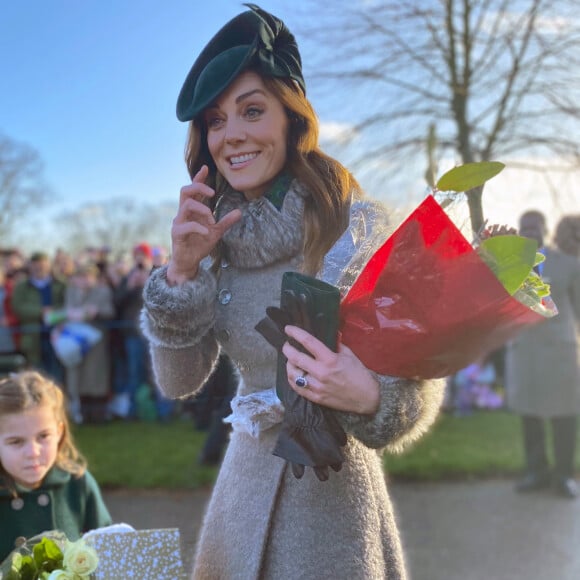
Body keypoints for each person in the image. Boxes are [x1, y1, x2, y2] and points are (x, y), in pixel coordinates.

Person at [140, 6, 445, 579]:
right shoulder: (214, 238)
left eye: (252, 110)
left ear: (290, 117)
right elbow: (179, 382)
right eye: (215, 121)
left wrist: (371, 396)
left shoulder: (352, 227)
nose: (231, 135)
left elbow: (417, 376)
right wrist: (181, 273)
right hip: (242, 493)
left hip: (333, 510)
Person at [0, 370, 112, 562]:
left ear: (59, 432)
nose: (33, 452)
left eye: (43, 436)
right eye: (16, 442)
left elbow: (109, 553)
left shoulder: (78, 484)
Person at [506, 210, 580, 499]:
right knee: (530, 414)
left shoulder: (569, 263)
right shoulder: (508, 265)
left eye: (535, 227)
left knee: (564, 415)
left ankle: (563, 476)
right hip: (524, 352)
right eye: (525, 228)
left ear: (545, 230)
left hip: (559, 352)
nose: (530, 232)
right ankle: (536, 472)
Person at [63, 262, 115, 424]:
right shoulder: (70, 292)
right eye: (80, 277)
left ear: (94, 278)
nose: (84, 280)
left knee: (96, 378)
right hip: (75, 341)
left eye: (87, 277)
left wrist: (97, 311)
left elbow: (110, 311)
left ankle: (98, 415)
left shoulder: (103, 291)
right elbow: (66, 310)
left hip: (96, 342)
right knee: (78, 377)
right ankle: (83, 415)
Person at [10, 252, 66, 384]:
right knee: (35, 376)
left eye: (42, 264)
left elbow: (67, 306)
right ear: (30, 266)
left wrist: (53, 314)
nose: (39, 268)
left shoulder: (61, 284)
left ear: (49, 265)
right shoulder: (21, 287)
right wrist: (41, 312)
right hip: (32, 338)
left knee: (56, 375)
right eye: (35, 265)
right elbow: (17, 307)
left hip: (57, 336)